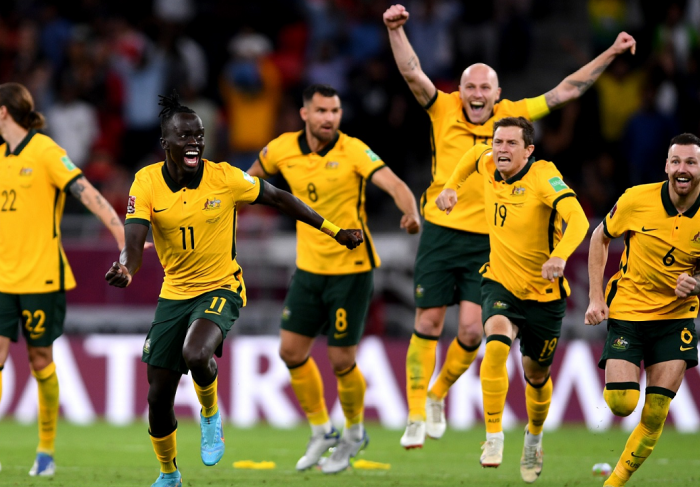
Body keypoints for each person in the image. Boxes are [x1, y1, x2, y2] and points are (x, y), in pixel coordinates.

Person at [383, 2, 636, 448]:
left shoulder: (513, 117)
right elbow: (411, 72)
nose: (476, 93)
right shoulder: (442, 108)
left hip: (491, 238)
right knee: (426, 321)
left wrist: (611, 53)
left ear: (497, 95)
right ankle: (415, 414)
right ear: (459, 90)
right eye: (469, 86)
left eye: (485, 87)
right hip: (441, 231)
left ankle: (439, 392)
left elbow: (566, 91)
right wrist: (395, 30)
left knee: (468, 332)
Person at [104, 91, 362, 487]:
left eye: (199, 135)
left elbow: (278, 197)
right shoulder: (146, 181)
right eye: (184, 136)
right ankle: (169, 474)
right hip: (175, 293)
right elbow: (135, 246)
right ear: (166, 144)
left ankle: (210, 415)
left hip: (221, 286)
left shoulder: (225, 177)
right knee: (158, 397)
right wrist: (125, 267)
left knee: (196, 352)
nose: (194, 142)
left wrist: (334, 230)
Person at [247, 83, 421, 473]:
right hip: (308, 269)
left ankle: (355, 432)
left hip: (351, 270)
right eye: (322, 111)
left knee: (342, 360)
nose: (330, 118)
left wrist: (411, 213)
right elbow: (248, 182)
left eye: (335, 111)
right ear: (305, 114)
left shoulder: (354, 150)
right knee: (291, 352)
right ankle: (322, 429)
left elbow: (394, 183)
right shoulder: (280, 148)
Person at [436, 117, 589, 482]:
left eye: (510, 144)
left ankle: (533, 437)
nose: (500, 149)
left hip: (544, 295)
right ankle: (492, 437)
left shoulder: (544, 178)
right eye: (497, 141)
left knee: (536, 375)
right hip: (500, 284)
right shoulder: (487, 159)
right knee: (496, 348)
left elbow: (579, 220)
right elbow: (472, 154)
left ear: (528, 150)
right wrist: (451, 188)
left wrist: (560, 256)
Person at [0, 82, 126, 476]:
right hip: (2, 280)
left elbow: (89, 195)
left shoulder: (46, 152)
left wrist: (124, 238)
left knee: (41, 361)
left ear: (4, 113)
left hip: (41, 278)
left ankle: (46, 451)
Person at [585, 133, 700, 487]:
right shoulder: (636, 199)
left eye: (691, 163)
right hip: (629, 312)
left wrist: (697, 284)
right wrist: (595, 297)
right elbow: (599, 237)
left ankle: (614, 483)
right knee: (621, 403)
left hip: (676, 318)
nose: (683, 169)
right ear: (666, 166)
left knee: (655, 413)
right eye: (676, 161)